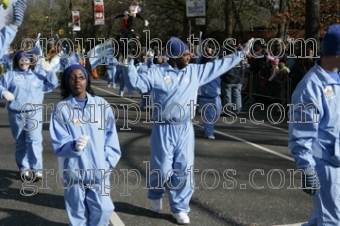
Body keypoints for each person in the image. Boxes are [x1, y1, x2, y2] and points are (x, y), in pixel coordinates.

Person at [124, 36, 253, 224]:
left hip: (185, 128)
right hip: (163, 128)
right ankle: (155, 192)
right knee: (162, 169)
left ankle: (180, 208)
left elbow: (219, 66)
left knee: (184, 169)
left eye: (189, 53)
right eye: (185, 54)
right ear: (174, 56)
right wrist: (127, 62)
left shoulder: (194, 71)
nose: (190, 56)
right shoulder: (157, 72)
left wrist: (240, 54)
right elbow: (137, 84)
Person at [49, 64, 121, 225]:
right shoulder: (62, 109)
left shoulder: (101, 105)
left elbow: (111, 137)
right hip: (75, 171)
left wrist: (108, 162)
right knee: (78, 213)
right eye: (72, 78)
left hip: (99, 170)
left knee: (104, 209)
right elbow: (59, 141)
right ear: (67, 82)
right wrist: (73, 146)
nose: (77, 81)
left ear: (87, 80)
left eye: (81, 77)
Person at [288, 23, 340, 225]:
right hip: (324, 164)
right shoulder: (310, 88)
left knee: (323, 218)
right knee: (332, 220)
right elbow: (301, 136)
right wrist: (307, 169)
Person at [0, 49, 58, 180]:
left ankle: (36, 169)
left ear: (30, 61)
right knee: (20, 142)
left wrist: (49, 70)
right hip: (16, 114)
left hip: (34, 113)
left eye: (26, 60)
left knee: (34, 140)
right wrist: (3, 92)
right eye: (21, 59)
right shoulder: (10, 75)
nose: (24, 62)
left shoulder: (38, 75)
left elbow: (52, 84)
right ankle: (24, 169)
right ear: (17, 61)